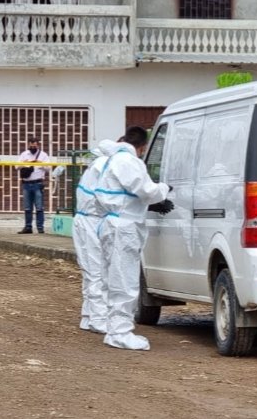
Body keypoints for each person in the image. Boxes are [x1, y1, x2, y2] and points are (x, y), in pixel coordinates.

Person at [94, 126, 173, 351]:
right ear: (143, 147)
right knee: (124, 279)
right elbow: (145, 190)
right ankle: (120, 332)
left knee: (114, 277)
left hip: (112, 223)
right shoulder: (128, 161)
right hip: (124, 226)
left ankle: (114, 329)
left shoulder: (113, 160)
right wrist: (164, 189)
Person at [72, 139, 117, 334]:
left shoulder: (92, 167)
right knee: (98, 271)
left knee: (89, 272)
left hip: (83, 221)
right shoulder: (103, 166)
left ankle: (88, 316)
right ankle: (98, 319)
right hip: (92, 221)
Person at [16, 136, 50, 234]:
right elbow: (16, 166)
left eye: (35, 145)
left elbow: (48, 168)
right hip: (26, 184)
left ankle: (40, 228)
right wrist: (25, 163)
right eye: (31, 145)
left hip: (37, 184)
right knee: (27, 208)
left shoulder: (43, 155)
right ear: (28, 145)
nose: (33, 147)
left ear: (38, 145)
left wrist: (40, 163)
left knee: (39, 207)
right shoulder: (24, 154)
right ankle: (28, 227)